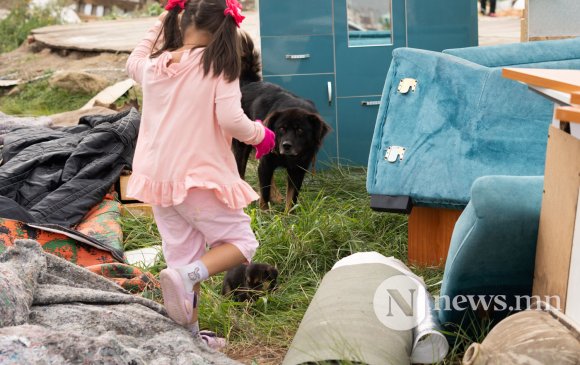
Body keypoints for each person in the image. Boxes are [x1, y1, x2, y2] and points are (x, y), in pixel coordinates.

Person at [125, 0, 275, 348]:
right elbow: (230, 120)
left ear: (182, 20)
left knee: (182, 257)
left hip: (159, 180)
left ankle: (191, 340)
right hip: (198, 179)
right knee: (241, 243)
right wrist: (260, 135)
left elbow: (134, 58)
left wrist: (163, 18)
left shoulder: (154, 66)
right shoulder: (218, 67)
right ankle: (186, 275)